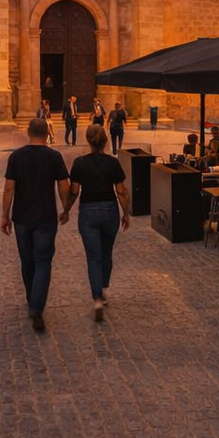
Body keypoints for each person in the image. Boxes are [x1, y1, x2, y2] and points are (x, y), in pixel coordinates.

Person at [0, 118, 72, 332]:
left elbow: (9, 188)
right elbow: (64, 186)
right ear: (47, 134)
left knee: (27, 261)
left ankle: (32, 298)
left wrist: (5, 215)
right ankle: (36, 306)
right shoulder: (54, 157)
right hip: (46, 218)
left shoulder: (16, 157)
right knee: (43, 261)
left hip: (22, 218)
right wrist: (66, 209)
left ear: (28, 133)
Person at [67, 124, 130, 321]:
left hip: (88, 212)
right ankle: (102, 288)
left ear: (88, 140)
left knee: (93, 257)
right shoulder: (113, 163)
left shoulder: (79, 163)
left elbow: (74, 191)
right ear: (105, 141)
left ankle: (96, 298)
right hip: (109, 210)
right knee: (106, 253)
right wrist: (125, 212)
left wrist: (66, 210)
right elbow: (121, 191)